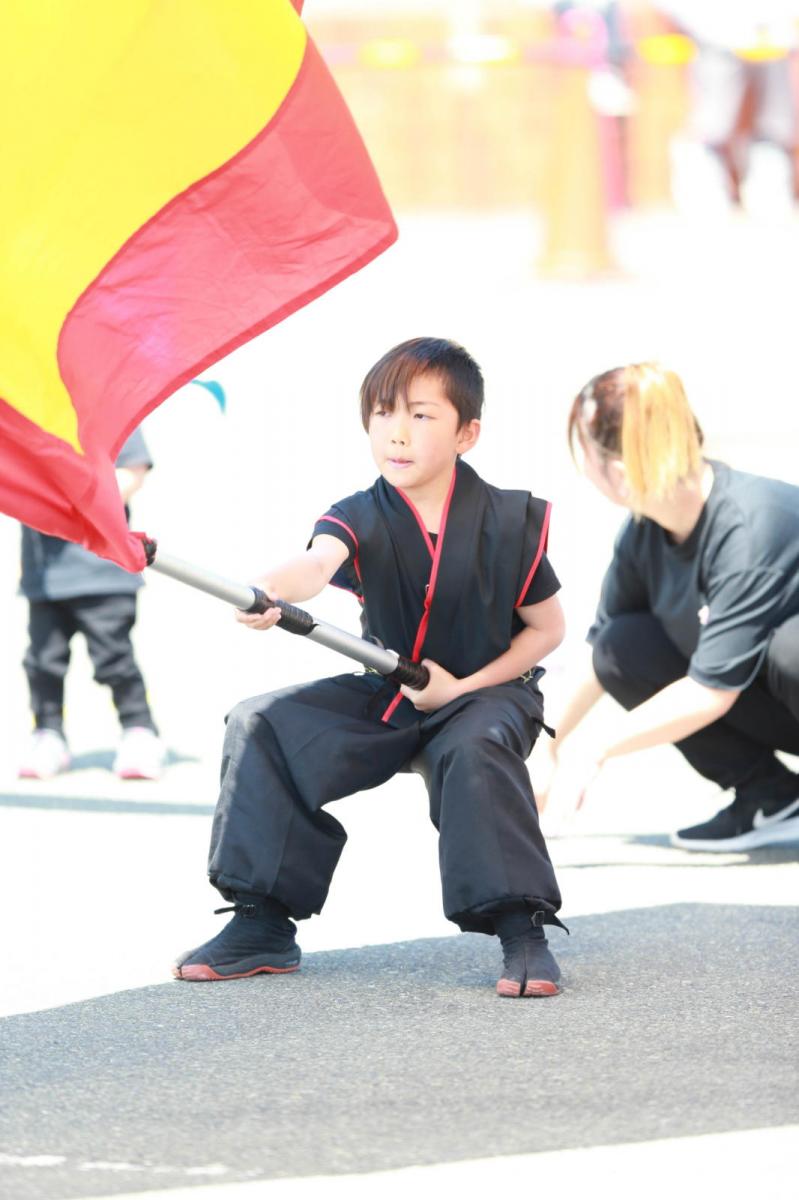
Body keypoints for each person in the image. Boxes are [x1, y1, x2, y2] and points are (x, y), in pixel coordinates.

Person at [174, 337, 567, 998]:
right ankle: (262, 922)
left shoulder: (508, 520)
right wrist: (269, 587)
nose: (396, 433)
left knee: (473, 748)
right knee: (262, 725)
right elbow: (316, 564)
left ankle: (519, 927)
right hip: (386, 688)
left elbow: (546, 629)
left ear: (466, 432)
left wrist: (463, 687)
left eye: (420, 415)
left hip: (489, 692)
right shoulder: (360, 513)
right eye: (382, 413)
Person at [543, 362, 799, 851]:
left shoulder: (748, 528)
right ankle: (773, 797)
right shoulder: (646, 531)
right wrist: (542, 748)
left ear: (615, 469)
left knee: (791, 648)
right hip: (777, 700)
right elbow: (601, 654)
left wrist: (591, 752)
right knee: (622, 646)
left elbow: (711, 693)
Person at [18, 427, 165, 782]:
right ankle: (48, 733)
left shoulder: (101, 405)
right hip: (46, 576)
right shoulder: (24, 415)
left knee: (114, 659)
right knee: (42, 664)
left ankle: (139, 731)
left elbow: (132, 471)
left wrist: (73, 499)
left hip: (103, 569)